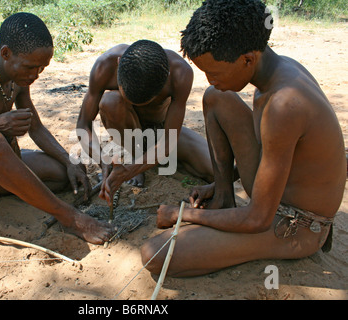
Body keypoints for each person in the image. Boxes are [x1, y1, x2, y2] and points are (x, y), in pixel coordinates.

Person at [141, 0, 346, 277]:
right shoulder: (281, 70)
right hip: (274, 194)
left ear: (247, 59)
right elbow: (279, 156)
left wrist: (181, 214)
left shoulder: (284, 105)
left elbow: (258, 218)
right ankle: (224, 198)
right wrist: (219, 183)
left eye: (213, 72)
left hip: (296, 223)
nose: (210, 79)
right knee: (217, 98)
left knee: (154, 254)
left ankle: (236, 227)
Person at [0, 12, 115, 245]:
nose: (35, 75)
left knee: (64, 173)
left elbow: (35, 127)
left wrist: (69, 161)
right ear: (6, 53)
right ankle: (70, 218)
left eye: (42, 68)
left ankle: (6, 187)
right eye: (30, 67)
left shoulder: (17, 79)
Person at [76, 39, 213, 205]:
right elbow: (83, 125)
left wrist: (130, 169)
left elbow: (169, 140)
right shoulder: (105, 66)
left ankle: (147, 161)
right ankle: (135, 154)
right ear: (119, 65)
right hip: (128, 133)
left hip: (162, 132)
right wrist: (102, 161)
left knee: (214, 170)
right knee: (110, 101)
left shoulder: (180, 73)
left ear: (165, 78)